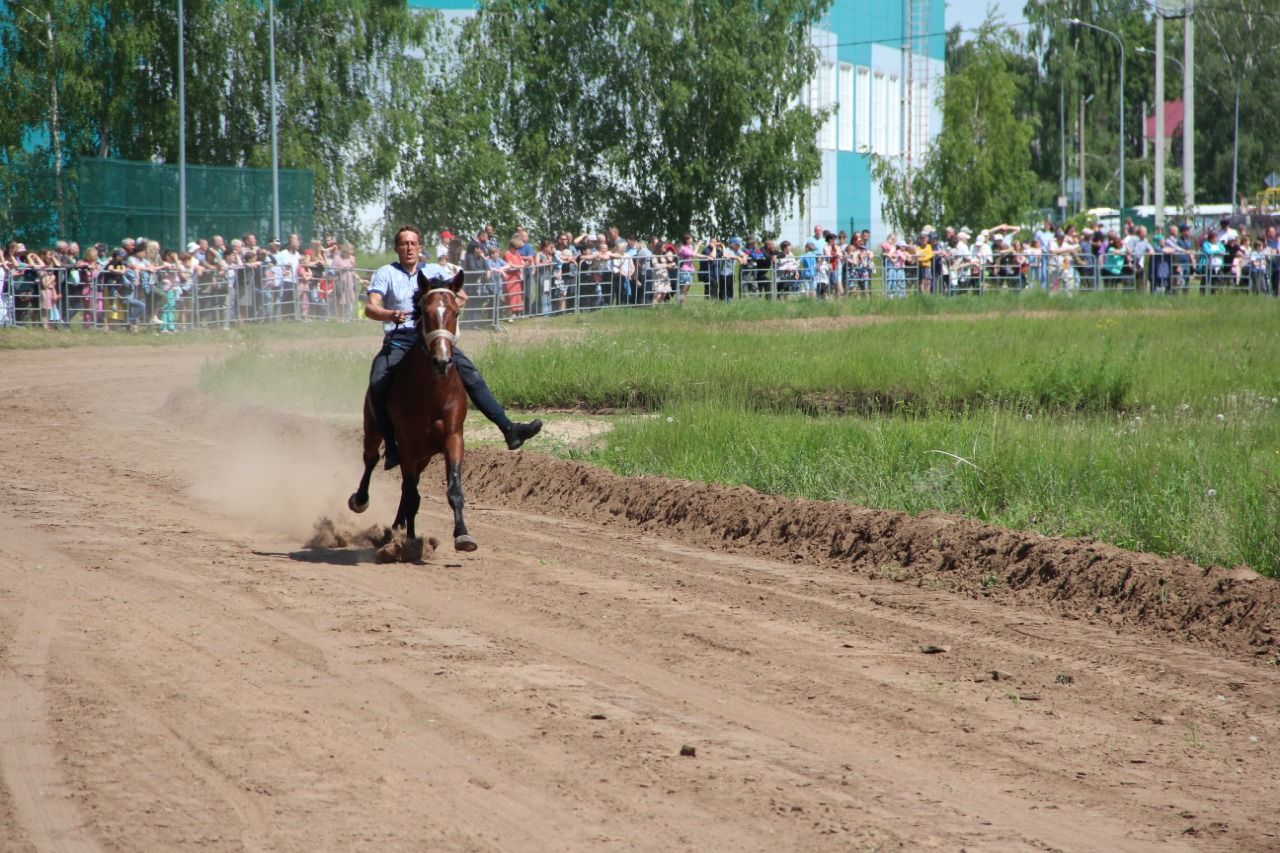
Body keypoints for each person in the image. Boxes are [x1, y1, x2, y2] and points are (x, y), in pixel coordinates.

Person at [365, 225, 541, 469]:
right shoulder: (386, 273)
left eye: (413, 243)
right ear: (396, 248)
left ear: (420, 247)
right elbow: (370, 308)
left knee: (471, 374)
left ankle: (509, 428)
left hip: (434, 338)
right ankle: (392, 448)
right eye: (404, 243)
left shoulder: (435, 270)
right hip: (399, 339)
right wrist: (389, 313)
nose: (409, 248)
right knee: (377, 383)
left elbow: (460, 296)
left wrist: (444, 312)